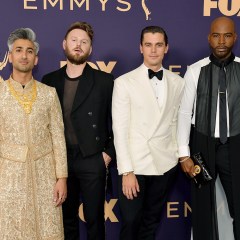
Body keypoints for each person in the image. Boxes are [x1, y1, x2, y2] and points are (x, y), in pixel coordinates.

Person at [42, 22, 115, 240]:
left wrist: (108, 153)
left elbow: (118, 122)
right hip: (61, 160)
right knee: (66, 219)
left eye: (84, 42)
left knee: (94, 219)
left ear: (90, 49)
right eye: (74, 40)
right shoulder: (49, 81)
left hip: (92, 158)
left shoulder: (104, 81)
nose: (78, 45)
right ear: (64, 44)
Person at [112, 26, 185, 240]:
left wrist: (175, 154)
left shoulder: (178, 82)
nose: (153, 50)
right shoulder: (124, 83)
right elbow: (120, 128)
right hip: (135, 166)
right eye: (148, 45)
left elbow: (175, 123)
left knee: (151, 223)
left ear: (166, 48)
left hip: (165, 165)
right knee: (131, 222)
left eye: (159, 45)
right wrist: (126, 171)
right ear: (140, 48)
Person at [0, 28, 67, 240]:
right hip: (9, 177)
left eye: (29, 51)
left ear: (35, 59)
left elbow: (58, 136)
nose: (24, 55)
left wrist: (62, 177)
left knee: (48, 231)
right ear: (10, 56)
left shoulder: (49, 93)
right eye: (18, 50)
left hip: (45, 176)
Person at [178, 16, 240, 240]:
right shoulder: (195, 71)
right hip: (202, 146)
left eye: (226, 35)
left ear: (235, 37)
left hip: (235, 144)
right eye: (216, 35)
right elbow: (184, 113)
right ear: (209, 39)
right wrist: (184, 154)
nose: (221, 41)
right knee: (202, 209)